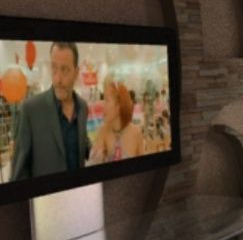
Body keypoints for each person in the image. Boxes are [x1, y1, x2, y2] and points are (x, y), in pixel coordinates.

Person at [10, 42, 91, 180]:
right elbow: (19, 172)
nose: (57, 79)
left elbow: (79, 142)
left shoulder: (82, 107)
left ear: (76, 73)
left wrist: (95, 148)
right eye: (54, 68)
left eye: (65, 70)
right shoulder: (30, 110)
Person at [87, 78, 144, 164]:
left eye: (107, 100)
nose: (102, 105)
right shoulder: (102, 131)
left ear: (119, 106)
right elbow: (93, 163)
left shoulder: (136, 133)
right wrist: (97, 159)